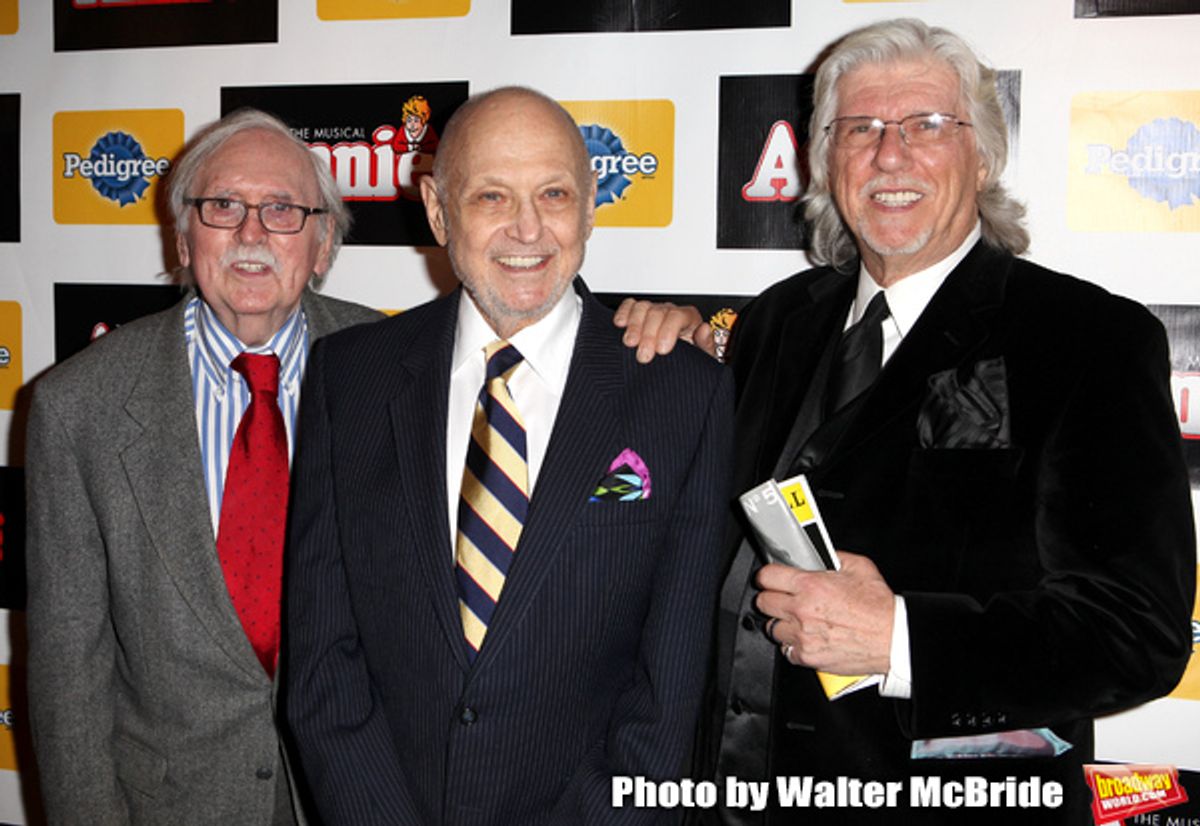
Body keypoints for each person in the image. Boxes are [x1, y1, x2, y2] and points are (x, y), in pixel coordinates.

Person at [616, 18, 1195, 825]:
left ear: (984, 154)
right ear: (824, 162)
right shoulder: (776, 323)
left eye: (927, 125)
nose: (890, 156)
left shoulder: (1088, 339)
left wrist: (899, 639)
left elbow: (1139, 634)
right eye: (859, 130)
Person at [282, 86, 733, 825]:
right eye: (492, 196)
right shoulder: (348, 379)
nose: (528, 229)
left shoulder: (683, 395)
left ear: (591, 202)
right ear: (437, 210)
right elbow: (324, 668)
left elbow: (670, 691)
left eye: (553, 193)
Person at [25, 108, 381, 825]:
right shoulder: (77, 407)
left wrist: (666, 326)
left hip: (362, 797)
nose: (251, 234)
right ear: (183, 238)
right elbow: (69, 674)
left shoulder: (400, 369)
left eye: (282, 209)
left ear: (323, 245)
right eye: (222, 207)